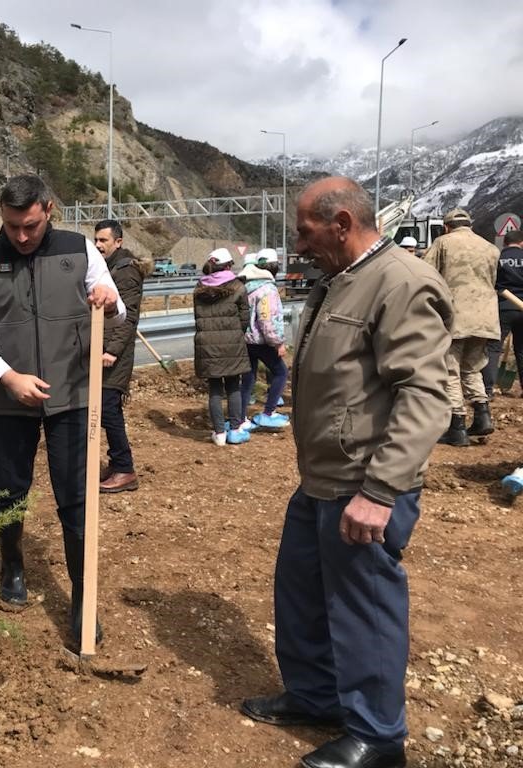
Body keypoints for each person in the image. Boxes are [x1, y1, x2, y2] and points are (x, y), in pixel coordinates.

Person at [241, 177, 452, 768]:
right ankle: (316, 696)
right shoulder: (339, 281)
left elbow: (424, 396)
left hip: (364, 482)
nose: (299, 245)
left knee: (364, 608)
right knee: (301, 592)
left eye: (305, 231)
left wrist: (380, 492)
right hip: (321, 478)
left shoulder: (401, 283)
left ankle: (378, 737)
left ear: (341, 224)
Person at [0, 174, 124, 649]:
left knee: (76, 497)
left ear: (48, 210)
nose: (21, 236)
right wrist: (8, 377)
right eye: (12, 226)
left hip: (72, 395)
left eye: (30, 225)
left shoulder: (79, 249)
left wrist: (109, 298)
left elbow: (115, 308)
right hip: (10, 399)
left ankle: (82, 599)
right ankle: (12, 564)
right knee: (9, 490)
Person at [423, 208, 499, 445]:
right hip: (485, 316)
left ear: (446, 227)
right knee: (472, 367)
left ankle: (457, 427)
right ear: (470, 225)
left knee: (450, 370)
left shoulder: (442, 243)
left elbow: (425, 275)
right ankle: (482, 415)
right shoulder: (490, 248)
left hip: (455, 315)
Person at [92, 219, 151, 493]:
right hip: (102, 347)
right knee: (106, 407)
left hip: (114, 353)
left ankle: (125, 469)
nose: (98, 245)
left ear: (118, 242)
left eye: (103, 240)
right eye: (96, 239)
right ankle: (118, 464)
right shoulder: (108, 267)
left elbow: (129, 317)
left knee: (108, 408)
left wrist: (112, 350)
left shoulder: (126, 272)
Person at [193, 247, 250, 446]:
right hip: (232, 343)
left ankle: (219, 434)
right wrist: (236, 334)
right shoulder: (238, 287)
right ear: (228, 266)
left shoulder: (199, 288)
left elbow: (198, 317)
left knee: (215, 389)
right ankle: (234, 430)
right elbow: (244, 318)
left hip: (207, 345)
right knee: (233, 386)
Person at [238, 247, 289, 431]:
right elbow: (267, 320)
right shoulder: (268, 289)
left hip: (245, 340)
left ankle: (240, 418)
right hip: (261, 341)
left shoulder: (245, 287)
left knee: (248, 379)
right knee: (281, 372)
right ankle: (269, 413)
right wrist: (278, 343)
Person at [483, 229, 523, 395]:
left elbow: (490, 282)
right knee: (521, 349)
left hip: (503, 307)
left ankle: (487, 389)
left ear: (505, 243)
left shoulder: (497, 258)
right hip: (522, 307)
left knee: (493, 348)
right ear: (521, 243)